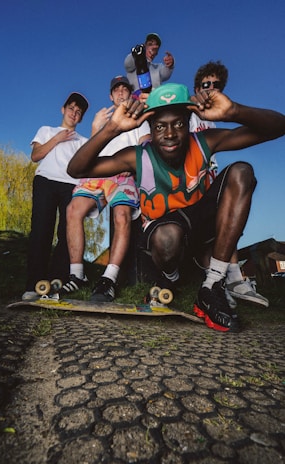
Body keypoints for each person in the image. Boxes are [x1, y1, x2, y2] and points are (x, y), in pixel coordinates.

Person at [66, 83, 285, 332]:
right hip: (165, 236)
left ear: (189, 123)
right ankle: (170, 279)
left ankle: (212, 285)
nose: (170, 134)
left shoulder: (204, 141)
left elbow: (278, 126)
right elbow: (76, 169)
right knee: (167, 236)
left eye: (178, 124)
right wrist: (112, 128)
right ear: (149, 127)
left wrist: (234, 111)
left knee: (242, 172)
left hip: (201, 228)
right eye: (160, 126)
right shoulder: (137, 156)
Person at [61, 76, 151, 302]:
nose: (121, 93)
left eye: (125, 90)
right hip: (100, 172)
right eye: (116, 90)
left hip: (124, 173)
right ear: (111, 96)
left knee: (121, 215)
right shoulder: (101, 119)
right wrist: (94, 128)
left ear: (130, 94)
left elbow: (147, 144)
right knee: (73, 210)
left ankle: (109, 278)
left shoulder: (140, 118)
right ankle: (77, 275)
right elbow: (89, 153)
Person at [190, 60, 269, 309]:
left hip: (207, 185)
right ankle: (223, 281)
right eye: (206, 84)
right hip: (185, 194)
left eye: (217, 85)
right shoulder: (188, 111)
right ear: (196, 87)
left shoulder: (211, 122)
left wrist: (234, 111)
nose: (211, 88)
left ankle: (229, 280)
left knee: (231, 208)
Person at [22, 92, 89, 301]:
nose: (74, 114)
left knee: (67, 233)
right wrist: (58, 138)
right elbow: (35, 156)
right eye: (71, 109)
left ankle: (57, 281)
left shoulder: (83, 141)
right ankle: (34, 283)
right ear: (63, 109)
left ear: (81, 118)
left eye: (78, 112)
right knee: (41, 229)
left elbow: (87, 166)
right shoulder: (46, 130)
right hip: (46, 181)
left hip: (71, 185)